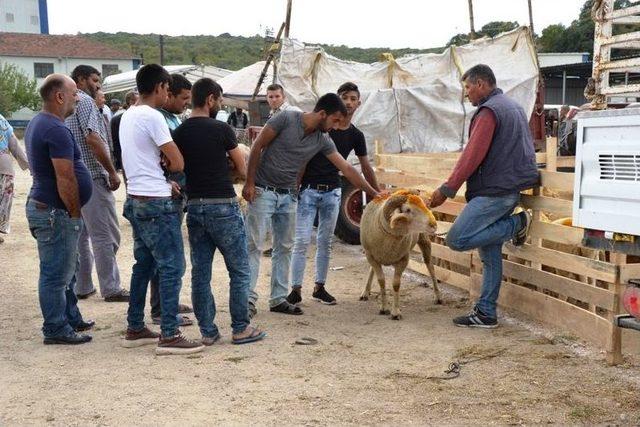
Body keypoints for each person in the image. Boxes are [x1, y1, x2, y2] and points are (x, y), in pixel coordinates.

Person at [242, 93, 380, 317]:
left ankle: (278, 298)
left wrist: (374, 193)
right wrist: (249, 182)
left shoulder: (322, 139)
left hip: (288, 195)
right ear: (322, 113)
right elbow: (257, 146)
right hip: (263, 191)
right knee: (253, 245)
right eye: (335, 120)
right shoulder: (285, 119)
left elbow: (346, 168)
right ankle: (246, 300)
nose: (336, 126)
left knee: (284, 247)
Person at [429, 64, 539, 328]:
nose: (466, 94)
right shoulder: (513, 107)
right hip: (509, 187)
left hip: (494, 191)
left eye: (468, 87)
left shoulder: (489, 112)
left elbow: (472, 155)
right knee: (490, 255)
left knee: (457, 238)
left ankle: (518, 223)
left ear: (481, 84)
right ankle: (486, 312)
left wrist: (447, 189)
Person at [174, 77, 266, 345]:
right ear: (211, 99)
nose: (220, 104)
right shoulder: (222, 129)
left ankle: (208, 331)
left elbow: (177, 166)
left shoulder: (179, 132)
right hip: (223, 206)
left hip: (194, 207)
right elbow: (241, 167)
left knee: (200, 273)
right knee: (239, 270)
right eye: (220, 100)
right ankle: (240, 328)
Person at [119, 63, 203, 355]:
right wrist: (170, 168)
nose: (168, 95)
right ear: (158, 87)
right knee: (172, 266)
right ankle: (169, 333)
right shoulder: (153, 117)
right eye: (168, 89)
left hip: (136, 197)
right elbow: (178, 161)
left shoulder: (128, 115)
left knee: (144, 265)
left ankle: (135, 326)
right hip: (156, 201)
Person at [288, 82, 379, 306]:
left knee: (325, 242)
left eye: (353, 98)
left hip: (333, 191)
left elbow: (364, 167)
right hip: (308, 190)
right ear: (337, 100)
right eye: (344, 97)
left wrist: (377, 193)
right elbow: (303, 159)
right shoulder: (321, 128)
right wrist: (295, 187)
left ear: (359, 103)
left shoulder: (356, 135)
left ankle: (320, 287)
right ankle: (295, 289)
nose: (349, 102)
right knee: (300, 241)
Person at [24, 74, 95, 344]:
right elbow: (65, 177)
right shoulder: (55, 128)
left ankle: (70, 317)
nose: (78, 98)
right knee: (56, 274)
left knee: (68, 269)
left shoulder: (40, 122)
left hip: (51, 209)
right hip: (55, 212)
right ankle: (55, 328)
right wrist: (75, 214)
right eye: (75, 92)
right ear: (60, 96)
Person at [65, 65, 129, 303]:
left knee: (81, 235)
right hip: (92, 176)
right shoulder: (85, 102)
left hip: (71, 178)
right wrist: (112, 171)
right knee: (107, 235)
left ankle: (83, 286)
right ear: (81, 80)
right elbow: (92, 137)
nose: (98, 85)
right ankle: (111, 287)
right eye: (95, 80)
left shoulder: (66, 103)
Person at [149, 72, 194, 326]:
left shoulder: (172, 119)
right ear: (168, 95)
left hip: (175, 193)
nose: (186, 102)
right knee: (166, 255)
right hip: (167, 194)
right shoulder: (160, 121)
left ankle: (168, 300)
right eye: (183, 98)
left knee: (168, 254)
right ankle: (160, 310)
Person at [0, 113, 29, 242]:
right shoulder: (2, 120)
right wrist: (29, 165)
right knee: (3, 201)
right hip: (5, 167)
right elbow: (14, 145)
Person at [110, 90, 138, 171]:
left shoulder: (144, 117)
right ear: (131, 102)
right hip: (127, 160)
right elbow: (116, 143)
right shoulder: (117, 120)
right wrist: (121, 162)